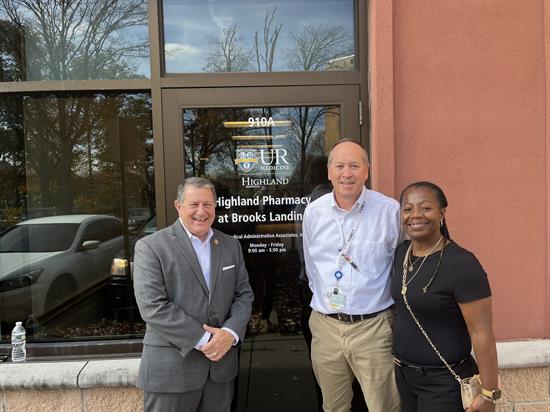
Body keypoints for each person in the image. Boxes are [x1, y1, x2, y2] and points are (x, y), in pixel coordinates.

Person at [133, 177, 254, 412]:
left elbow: (244, 296)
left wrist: (229, 333)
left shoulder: (230, 245)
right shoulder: (151, 247)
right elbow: (152, 307)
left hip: (220, 372)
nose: (201, 211)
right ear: (178, 206)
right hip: (171, 371)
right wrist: (208, 340)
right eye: (194, 204)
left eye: (208, 204)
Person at [302, 139, 402, 412]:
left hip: (374, 329)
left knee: (385, 407)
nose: (347, 173)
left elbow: (400, 267)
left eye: (354, 166)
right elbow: (313, 269)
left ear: (366, 171)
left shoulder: (389, 211)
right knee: (333, 407)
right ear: (329, 172)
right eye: (340, 166)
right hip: (326, 328)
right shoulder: (313, 213)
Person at [391, 181, 500, 412]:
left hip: (445, 383)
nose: (415, 215)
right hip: (404, 377)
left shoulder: (461, 264)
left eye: (426, 208)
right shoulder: (402, 253)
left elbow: (482, 332)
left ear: (442, 213)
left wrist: (489, 393)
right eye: (408, 208)